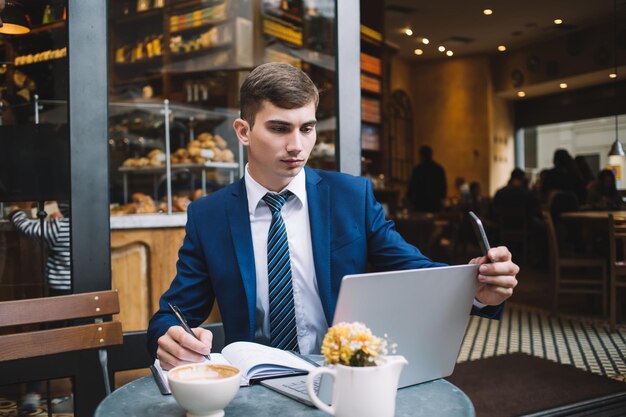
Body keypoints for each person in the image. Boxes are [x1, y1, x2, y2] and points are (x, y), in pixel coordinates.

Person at [148, 62, 519, 370]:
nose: (297, 145)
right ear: (243, 132)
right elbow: (174, 312)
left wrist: (475, 288)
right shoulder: (208, 215)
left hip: (344, 376)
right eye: (280, 128)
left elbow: (415, 270)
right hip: (256, 384)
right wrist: (169, 338)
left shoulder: (350, 197)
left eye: (307, 128)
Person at [9, 201, 71, 295]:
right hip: (89, 285)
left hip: (61, 289)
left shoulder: (59, 226)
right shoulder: (94, 224)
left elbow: (26, 227)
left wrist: (15, 210)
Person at [406, 145, 447, 212]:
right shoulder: (438, 169)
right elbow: (443, 187)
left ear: (421, 155)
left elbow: (412, 186)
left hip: (420, 203)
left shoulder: (418, 170)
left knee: (421, 221)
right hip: (435, 203)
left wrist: (409, 199)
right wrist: (441, 198)